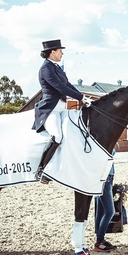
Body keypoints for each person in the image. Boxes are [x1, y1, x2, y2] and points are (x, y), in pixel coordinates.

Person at [32, 39, 93, 183]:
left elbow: (69, 85)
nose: (62, 53)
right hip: (51, 109)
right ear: (52, 52)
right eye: (60, 51)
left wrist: (83, 97)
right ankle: (41, 170)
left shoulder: (57, 68)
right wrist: (80, 98)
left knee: (75, 130)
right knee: (57, 136)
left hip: (62, 107)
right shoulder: (46, 68)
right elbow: (60, 87)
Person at [93, 148, 117, 252]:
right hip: (105, 178)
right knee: (109, 211)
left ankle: (99, 240)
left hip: (107, 177)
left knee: (100, 210)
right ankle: (100, 241)